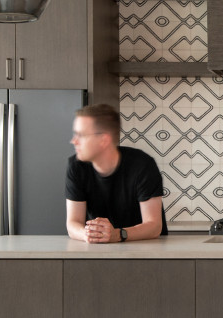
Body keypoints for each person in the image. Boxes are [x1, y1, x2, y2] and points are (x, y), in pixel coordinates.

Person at [65, 104, 167, 243]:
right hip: (98, 251)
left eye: (81, 135)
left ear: (103, 140)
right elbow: (73, 224)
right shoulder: (76, 167)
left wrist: (118, 234)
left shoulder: (143, 165)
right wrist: (87, 234)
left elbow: (154, 226)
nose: (74, 141)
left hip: (145, 250)